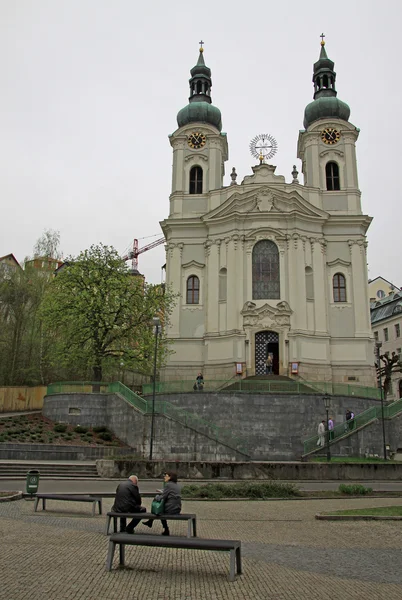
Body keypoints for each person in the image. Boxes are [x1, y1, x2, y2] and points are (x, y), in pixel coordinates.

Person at [143, 471, 182, 536]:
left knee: (159, 510)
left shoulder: (168, 484)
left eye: (166, 476)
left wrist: (156, 497)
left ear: (170, 477)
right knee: (160, 510)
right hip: (177, 508)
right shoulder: (176, 485)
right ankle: (151, 522)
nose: (164, 477)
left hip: (171, 508)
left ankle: (165, 529)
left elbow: (163, 497)